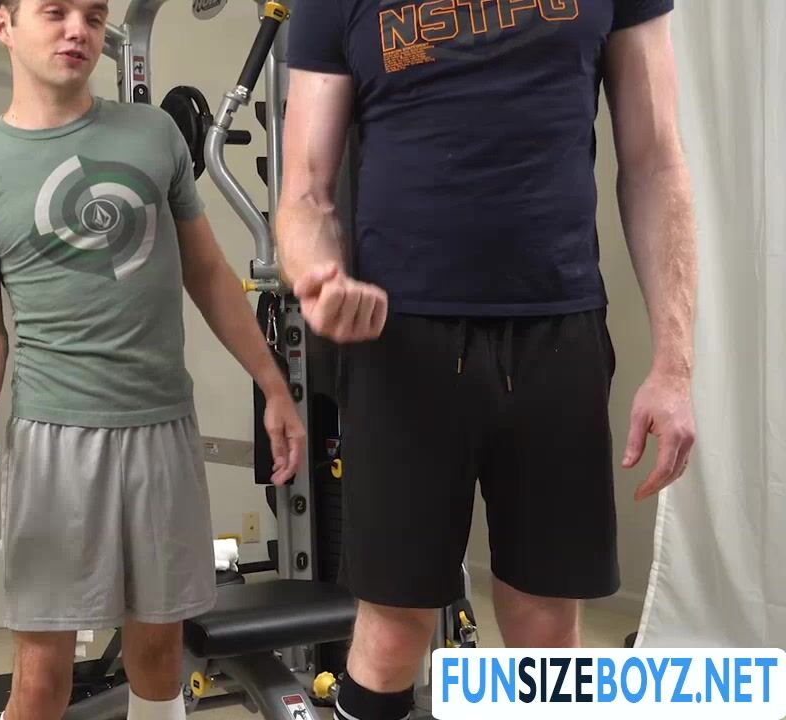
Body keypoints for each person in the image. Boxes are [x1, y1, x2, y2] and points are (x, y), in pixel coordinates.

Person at [274, 0, 698, 718]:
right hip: (400, 344)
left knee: (548, 630)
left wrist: (675, 365)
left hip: (556, 334)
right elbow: (306, 190)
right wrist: (316, 274)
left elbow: (655, 160)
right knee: (392, 633)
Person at [0, 0, 308, 718]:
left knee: (158, 654)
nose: (79, 30)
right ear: (4, 25)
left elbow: (209, 274)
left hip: (162, 428)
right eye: (55, 12)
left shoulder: (154, 134)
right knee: (42, 676)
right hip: (55, 442)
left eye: (94, 16)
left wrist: (273, 385)